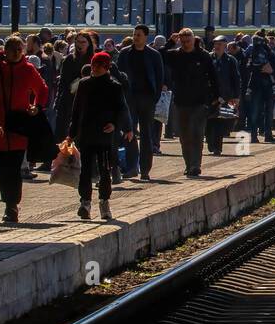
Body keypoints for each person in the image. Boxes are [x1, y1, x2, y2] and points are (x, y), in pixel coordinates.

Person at [0, 35, 48, 223]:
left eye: (20, 49)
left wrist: (36, 106)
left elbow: (42, 90)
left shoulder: (28, 70)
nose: (17, 53)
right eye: (13, 49)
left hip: (19, 126)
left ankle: (12, 206)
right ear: (5, 51)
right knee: (2, 169)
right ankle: (8, 202)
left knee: (15, 168)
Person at [69, 51, 132, 220]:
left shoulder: (114, 86)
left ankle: (104, 201)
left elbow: (121, 109)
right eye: (93, 65)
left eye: (99, 66)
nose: (95, 69)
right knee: (85, 170)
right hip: (86, 134)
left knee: (105, 170)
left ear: (107, 67)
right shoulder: (84, 84)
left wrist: (121, 127)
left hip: (105, 136)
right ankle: (85, 203)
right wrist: (71, 134)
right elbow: (76, 111)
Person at [167, 28, 220, 177]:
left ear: (193, 40)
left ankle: (196, 165)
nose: (185, 44)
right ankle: (188, 164)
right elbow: (160, 55)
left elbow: (213, 76)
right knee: (185, 136)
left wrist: (217, 96)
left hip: (200, 101)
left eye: (188, 41)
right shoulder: (175, 55)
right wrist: (171, 41)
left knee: (197, 134)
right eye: (182, 41)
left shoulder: (203, 56)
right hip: (181, 101)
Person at [117, 24, 165, 181]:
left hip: (147, 99)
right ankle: (131, 167)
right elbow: (118, 75)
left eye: (139, 34)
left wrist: (155, 96)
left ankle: (145, 169)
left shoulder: (153, 55)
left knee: (146, 134)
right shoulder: (125, 53)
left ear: (146, 37)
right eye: (134, 34)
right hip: (129, 98)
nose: (136, 37)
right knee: (128, 131)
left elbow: (159, 77)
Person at [244, 29, 275, 144]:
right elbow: (249, 67)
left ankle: (263, 135)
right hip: (259, 85)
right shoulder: (254, 52)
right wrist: (260, 68)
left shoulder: (269, 52)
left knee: (264, 111)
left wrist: (271, 70)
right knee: (260, 111)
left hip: (265, 85)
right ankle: (259, 135)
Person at [206, 36, 241, 155]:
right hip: (210, 96)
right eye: (215, 44)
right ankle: (211, 143)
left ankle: (217, 147)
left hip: (226, 96)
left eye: (219, 44)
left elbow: (236, 79)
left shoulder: (231, 61)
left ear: (225, 46)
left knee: (221, 122)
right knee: (209, 121)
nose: (217, 46)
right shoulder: (209, 58)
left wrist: (236, 97)